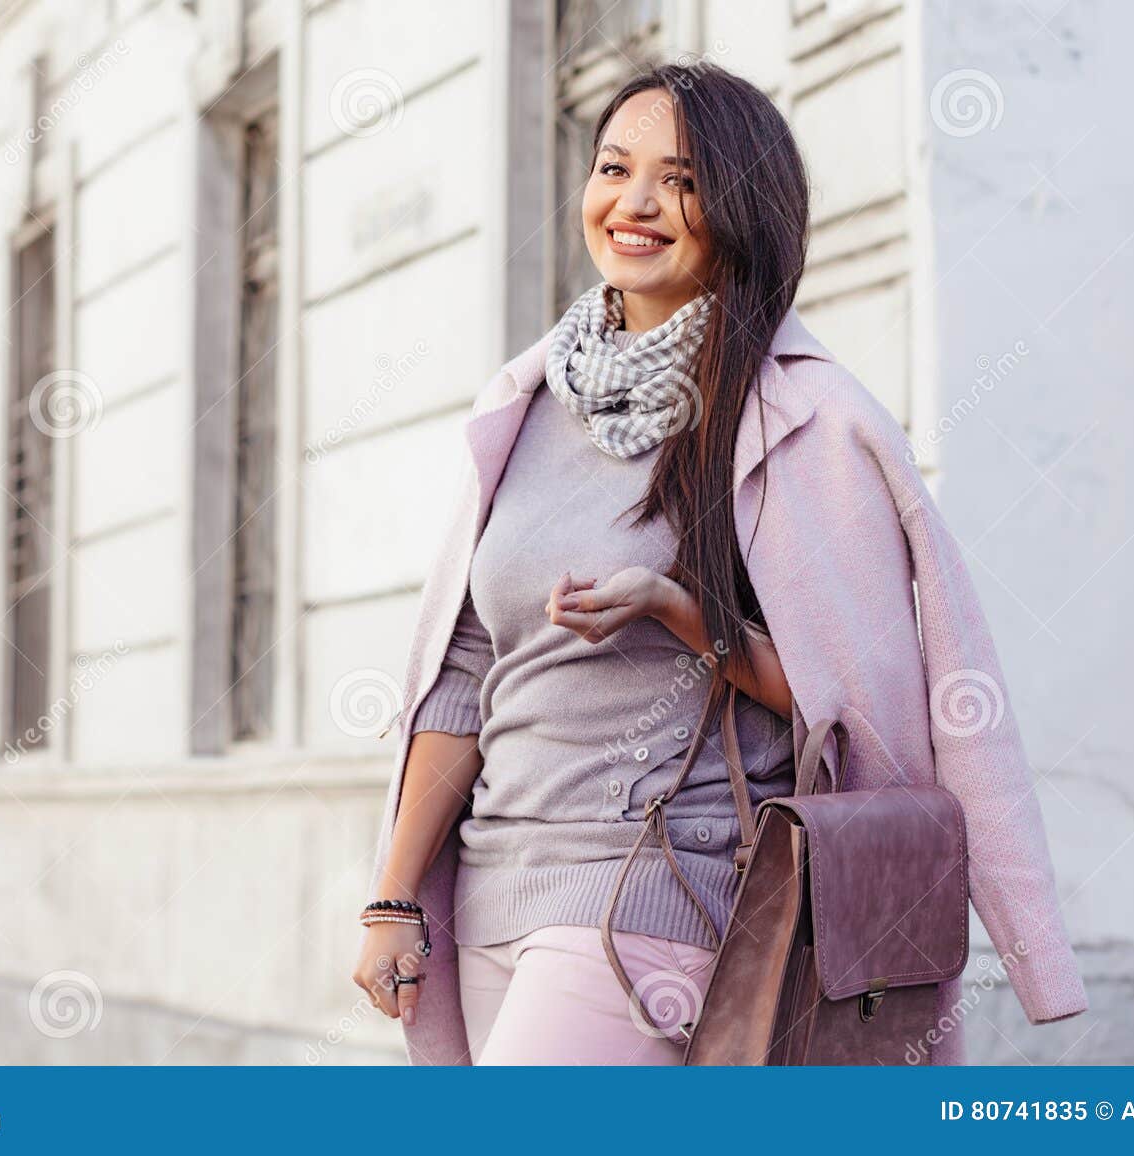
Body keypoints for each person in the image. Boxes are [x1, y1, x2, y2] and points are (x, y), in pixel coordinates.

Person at [353, 62, 1087, 1066]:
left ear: (741, 207)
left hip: (653, 894)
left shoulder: (804, 420)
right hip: (488, 887)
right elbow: (465, 672)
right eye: (615, 167)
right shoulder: (526, 402)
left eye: (683, 180)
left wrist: (682, 613)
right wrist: (393, 894)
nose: (637, 203)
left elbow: (853, 710)